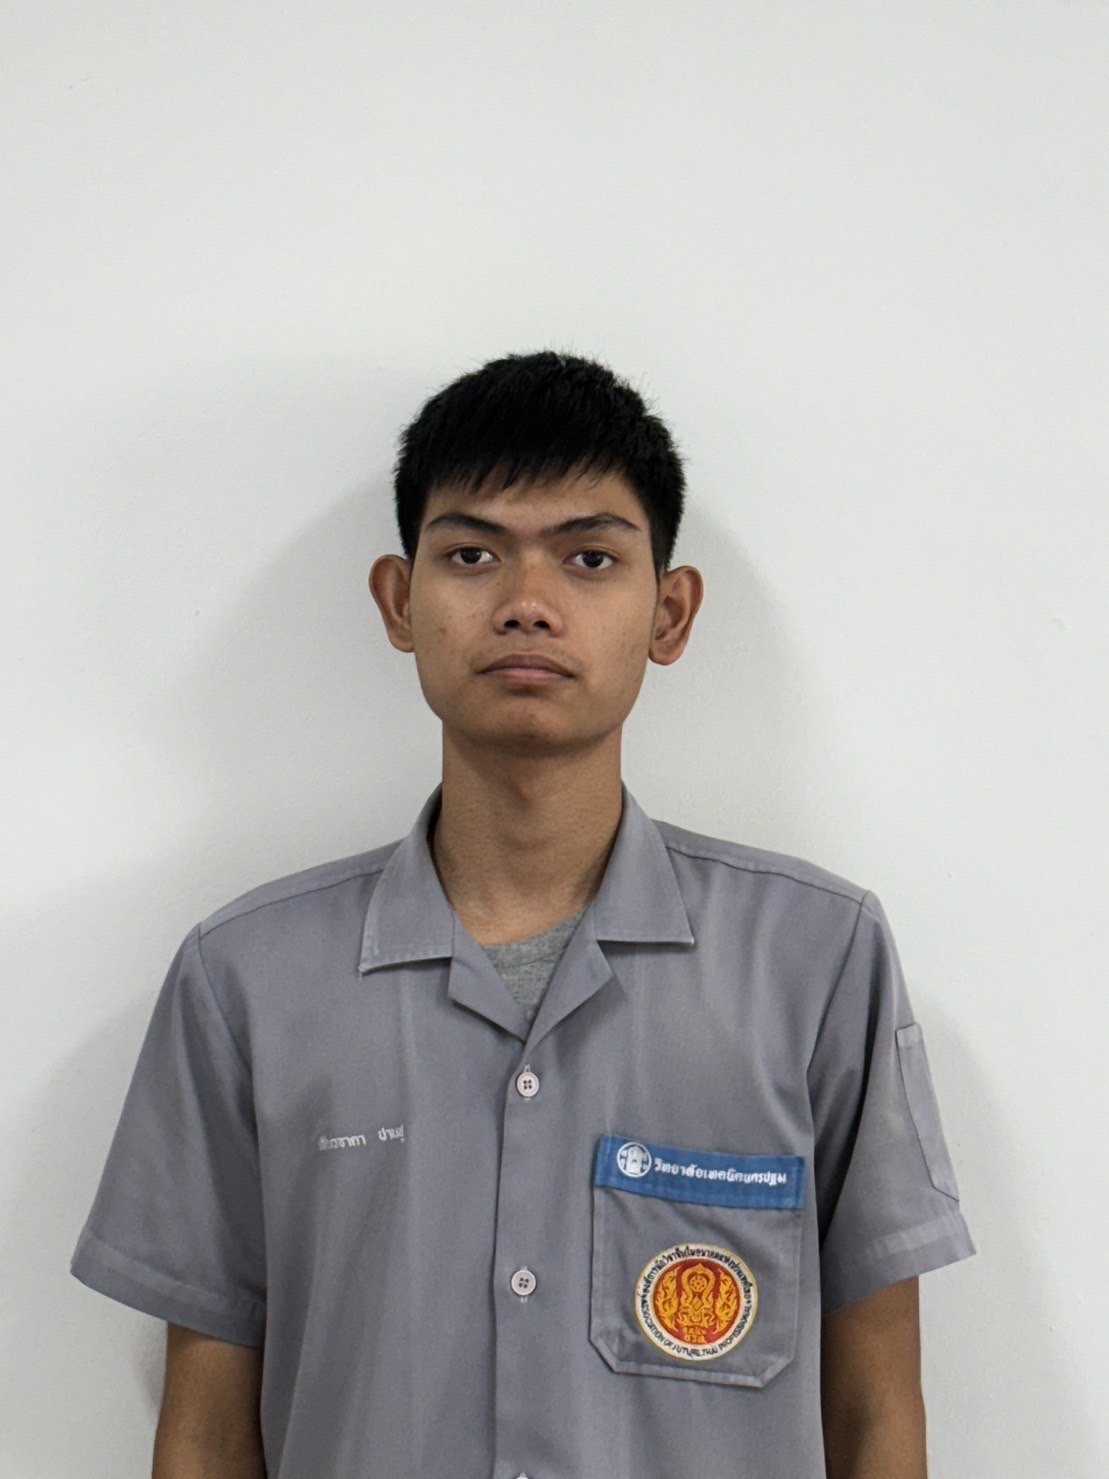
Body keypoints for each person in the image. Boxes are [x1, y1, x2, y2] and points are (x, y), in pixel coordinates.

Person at [72, 351, 974, 1479]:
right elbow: (206, 1432)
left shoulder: (815, 960)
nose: (527, 603)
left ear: (669, 612)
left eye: (590, 557)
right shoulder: (245, 980)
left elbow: (876, 1412)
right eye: (471, 554)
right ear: (399, 602)